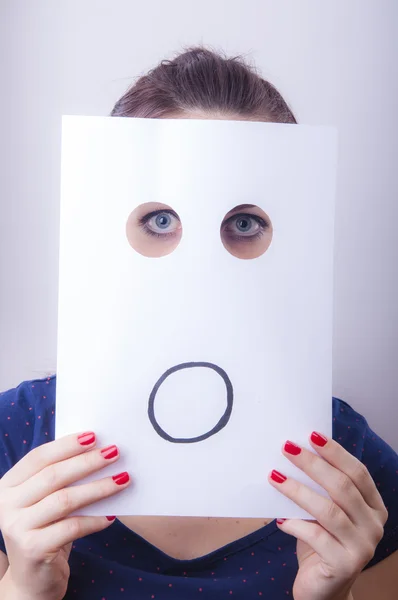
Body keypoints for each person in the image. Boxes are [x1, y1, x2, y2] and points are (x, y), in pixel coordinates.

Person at [0, 46, 397, 600]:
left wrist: (330, 596)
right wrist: (24, 587)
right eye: (160, 219)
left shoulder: (347, 466)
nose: (202, 263)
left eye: (244, 221)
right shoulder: (13, 437)